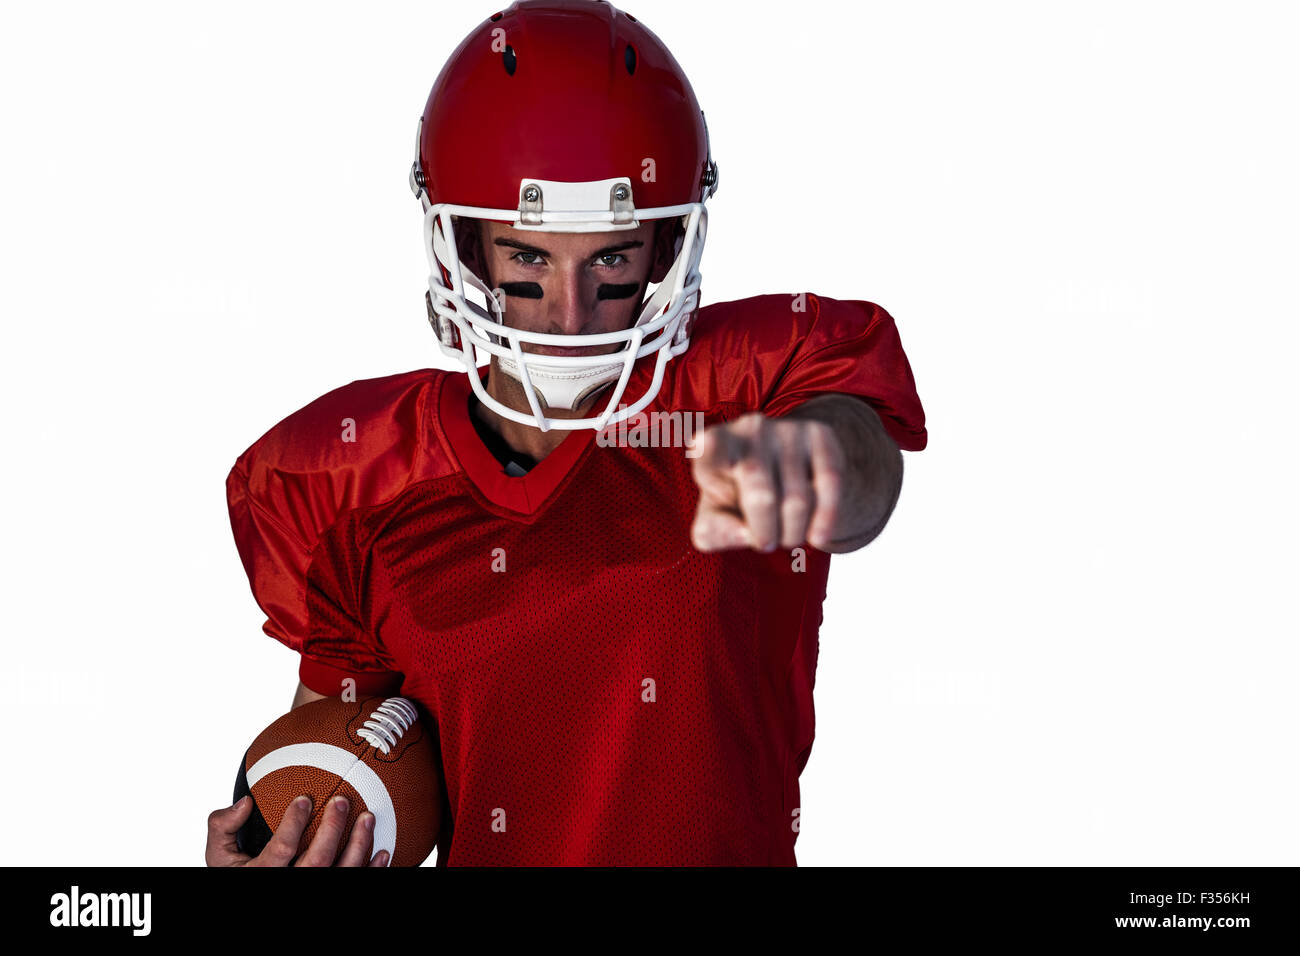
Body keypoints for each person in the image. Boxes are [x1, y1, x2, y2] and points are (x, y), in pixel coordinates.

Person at [206, 0, 927, 867]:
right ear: (466, 247)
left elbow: (864, 470)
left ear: (666, 248)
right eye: (530, 257)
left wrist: (826, 460)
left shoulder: (746, 391)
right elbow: (335, 763)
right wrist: (284, 846)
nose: (570, 315)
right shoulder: (358, 478)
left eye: (611, 259)